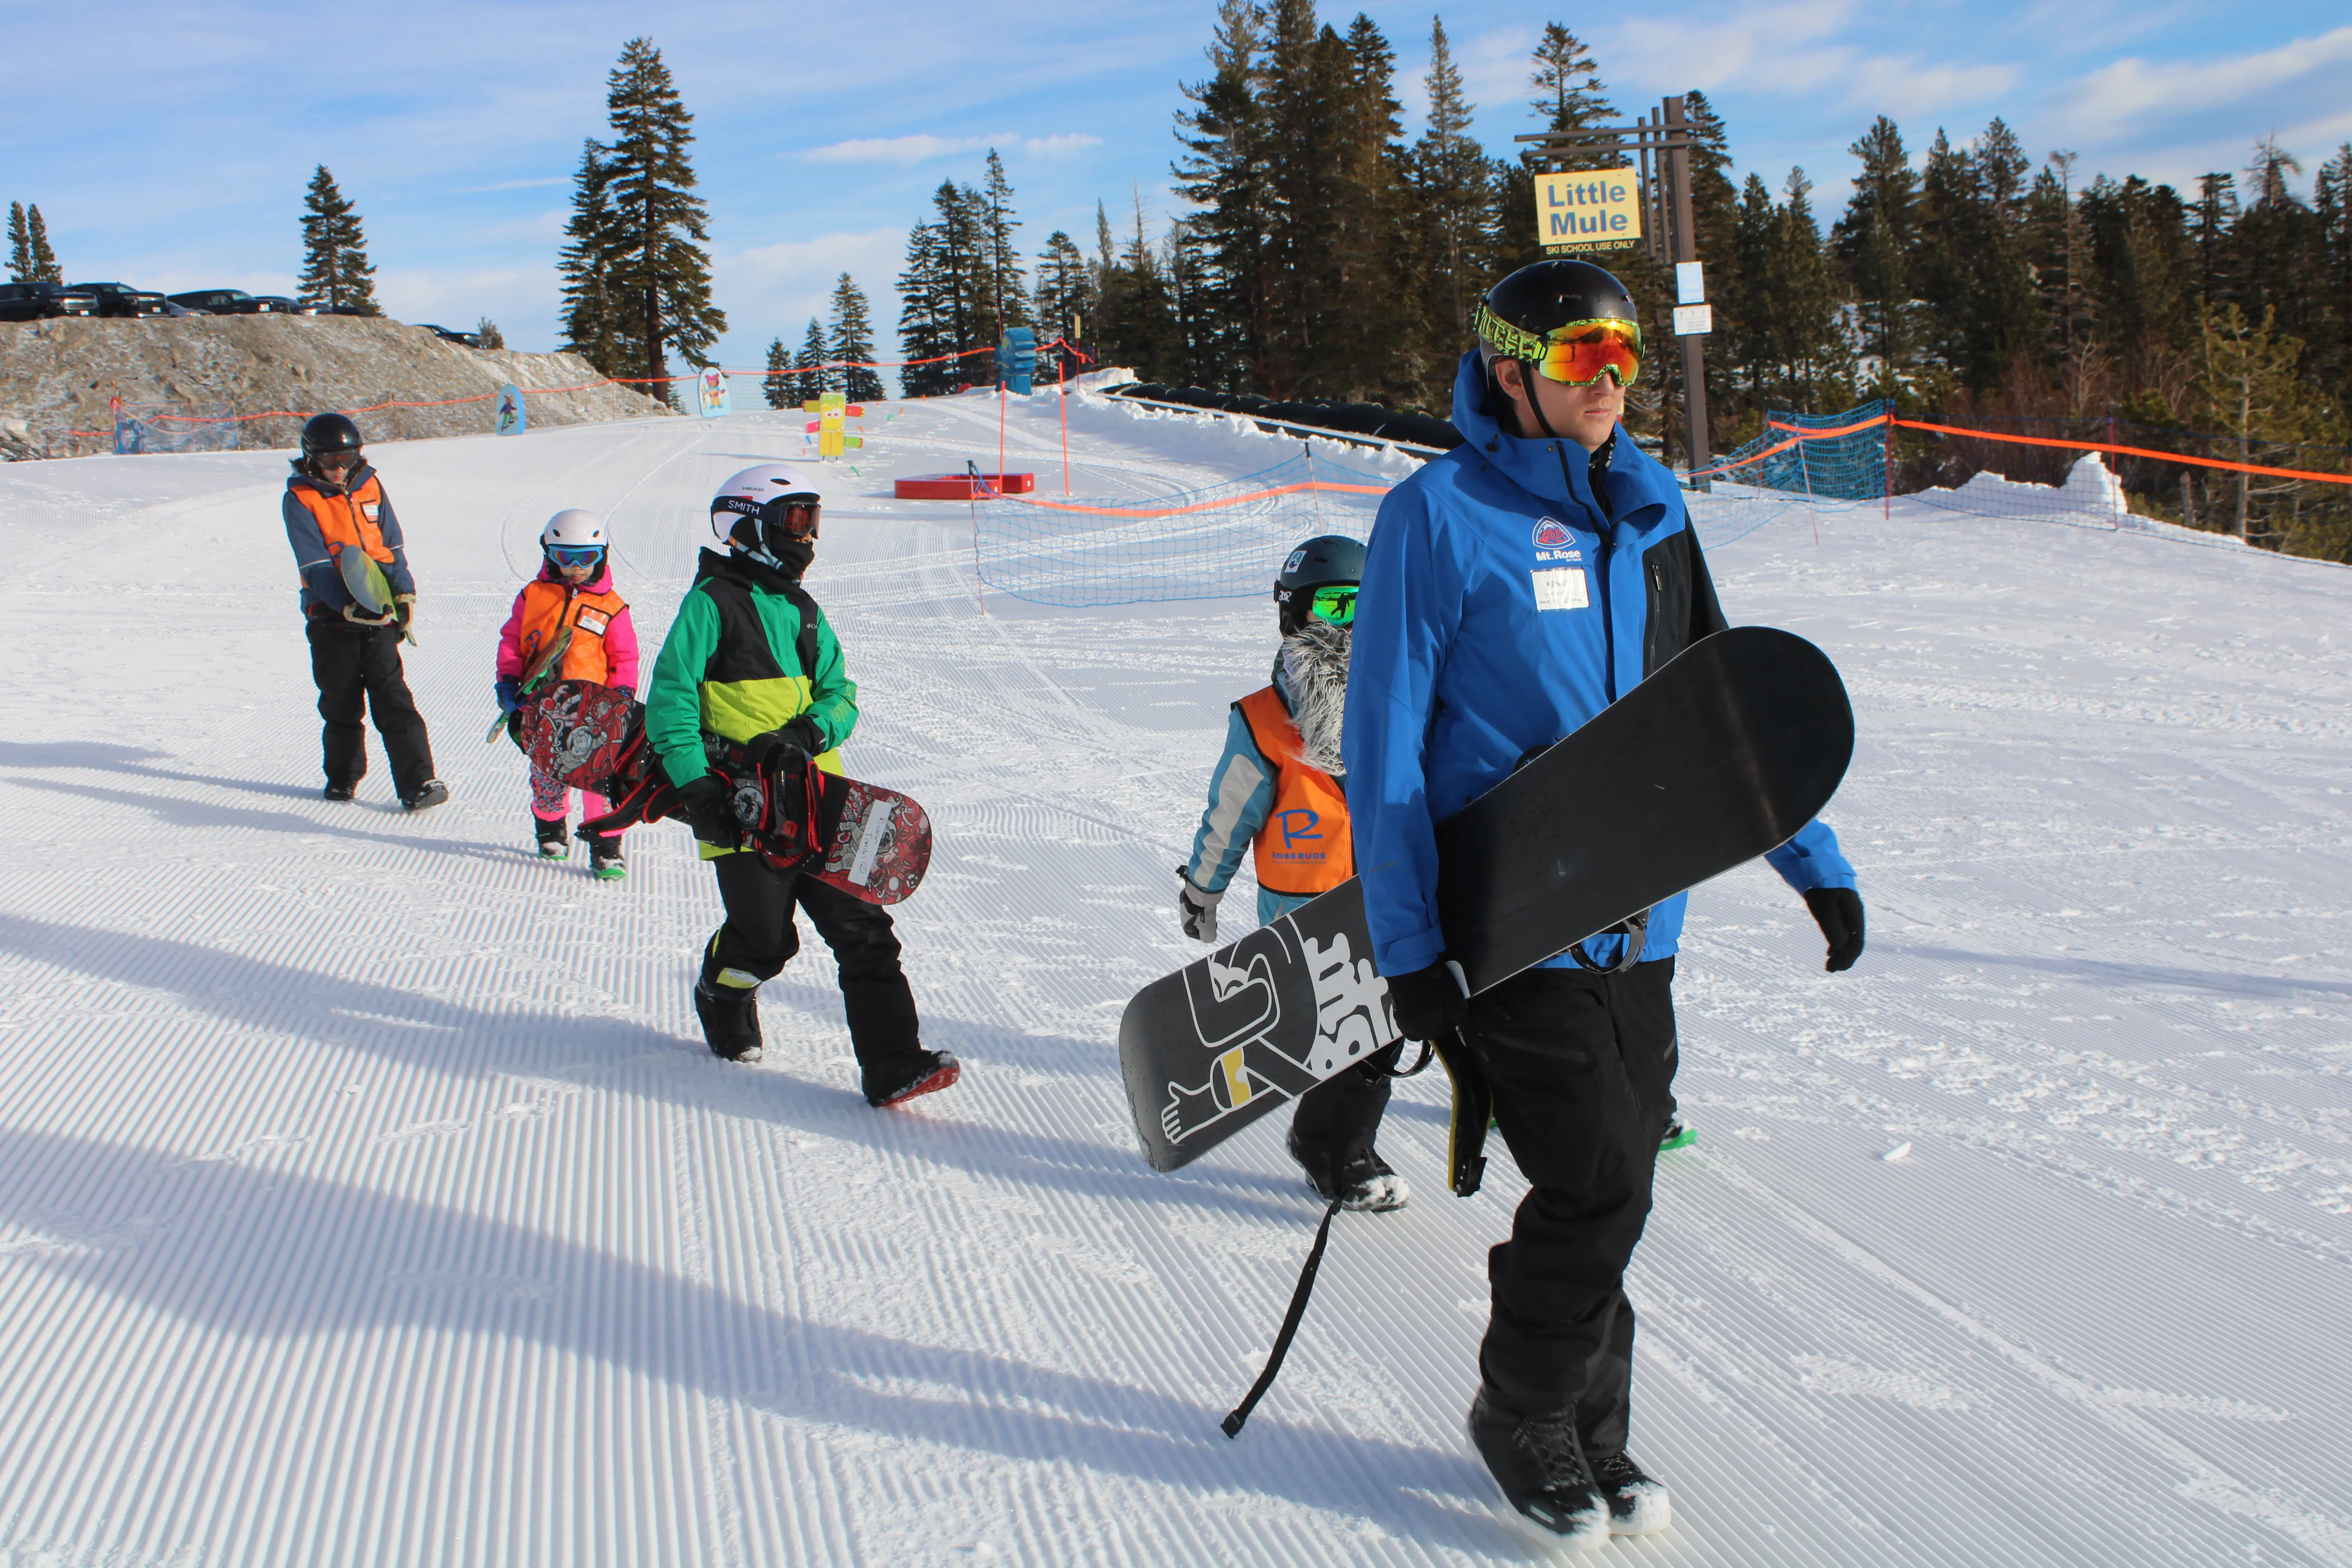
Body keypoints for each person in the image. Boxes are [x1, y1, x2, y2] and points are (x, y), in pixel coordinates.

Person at [1344, 260, 1866, 1552]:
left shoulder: (1652, 505)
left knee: (1618, 1182)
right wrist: (1407, 944)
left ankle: (1591, 1426)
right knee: (1597, 1184)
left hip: (1647, 919)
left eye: (1626, 357)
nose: (1613, 380)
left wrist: (1816, 863)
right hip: (1512, 918)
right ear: (1513, 370)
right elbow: (1385, 744)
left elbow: (1728, 714)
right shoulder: (1440, 515)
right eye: (1584, 356)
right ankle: (1522, 1411)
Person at [643, 463, 958, 1106]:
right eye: (794, 519)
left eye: (812, 520)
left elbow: (842, 695)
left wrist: (812, 734)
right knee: (765, 942)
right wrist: (695, 785)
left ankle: (893, 1065)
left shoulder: (805, 611)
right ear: (748, 522)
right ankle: (722, 988)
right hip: (740, 803)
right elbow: (670, 699)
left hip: (822, 800)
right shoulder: (712, 602)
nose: (807, 534)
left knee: (864, 933)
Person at [1178, 535, 1407, 1212]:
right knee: (1349, 1037)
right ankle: (1337, 1152)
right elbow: (1229, 817)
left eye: (1368, 605)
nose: (1351, 622)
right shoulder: (1265, 721)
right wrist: (1202, 891)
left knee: (1387, 1028)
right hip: (1304, 916)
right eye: (1336, 603)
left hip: (1391, 896)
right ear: (1295, 614)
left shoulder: (1403, 700)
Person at [282, 411, 446, 809]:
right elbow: (315, 565)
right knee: (341, 702)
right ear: (310, 457)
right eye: (330, 462)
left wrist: (402, 595)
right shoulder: (300, 499)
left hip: (379, 614)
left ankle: (418, 783)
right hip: (331, 617)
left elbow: (391, 548)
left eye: (348, 458)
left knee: (394, 699)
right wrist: (350, 604)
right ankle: (343, 776)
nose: (340, 469)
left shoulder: (370, 485)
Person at [494, 509, 641, 878]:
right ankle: (550, 831)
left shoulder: (612, 606)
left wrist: (622, 697)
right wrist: (509, 681)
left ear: (602, 555)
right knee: (548, 776)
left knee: (600, 783)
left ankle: (607, 848)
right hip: (546, 707)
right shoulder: (533, 595)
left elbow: (625, 656)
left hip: (595, 710)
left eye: (587, 558)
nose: (577, 568)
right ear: (548, 554)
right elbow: (512, 642)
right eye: (565, 557)